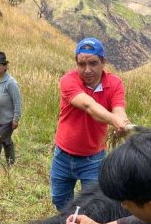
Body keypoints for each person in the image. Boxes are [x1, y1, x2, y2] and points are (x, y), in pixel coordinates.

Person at [50, 37, 131, 211]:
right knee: (60, 201)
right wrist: (114, 120)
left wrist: (121, 121)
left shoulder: (114, 84)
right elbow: (88, 105)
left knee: (92, 206)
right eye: (82, 64)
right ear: (76, 63)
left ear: (103, 62)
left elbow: (118, 108)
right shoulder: (68, 81)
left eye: (93, 63)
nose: (87, 70)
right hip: (63, 155)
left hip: (93, 159)